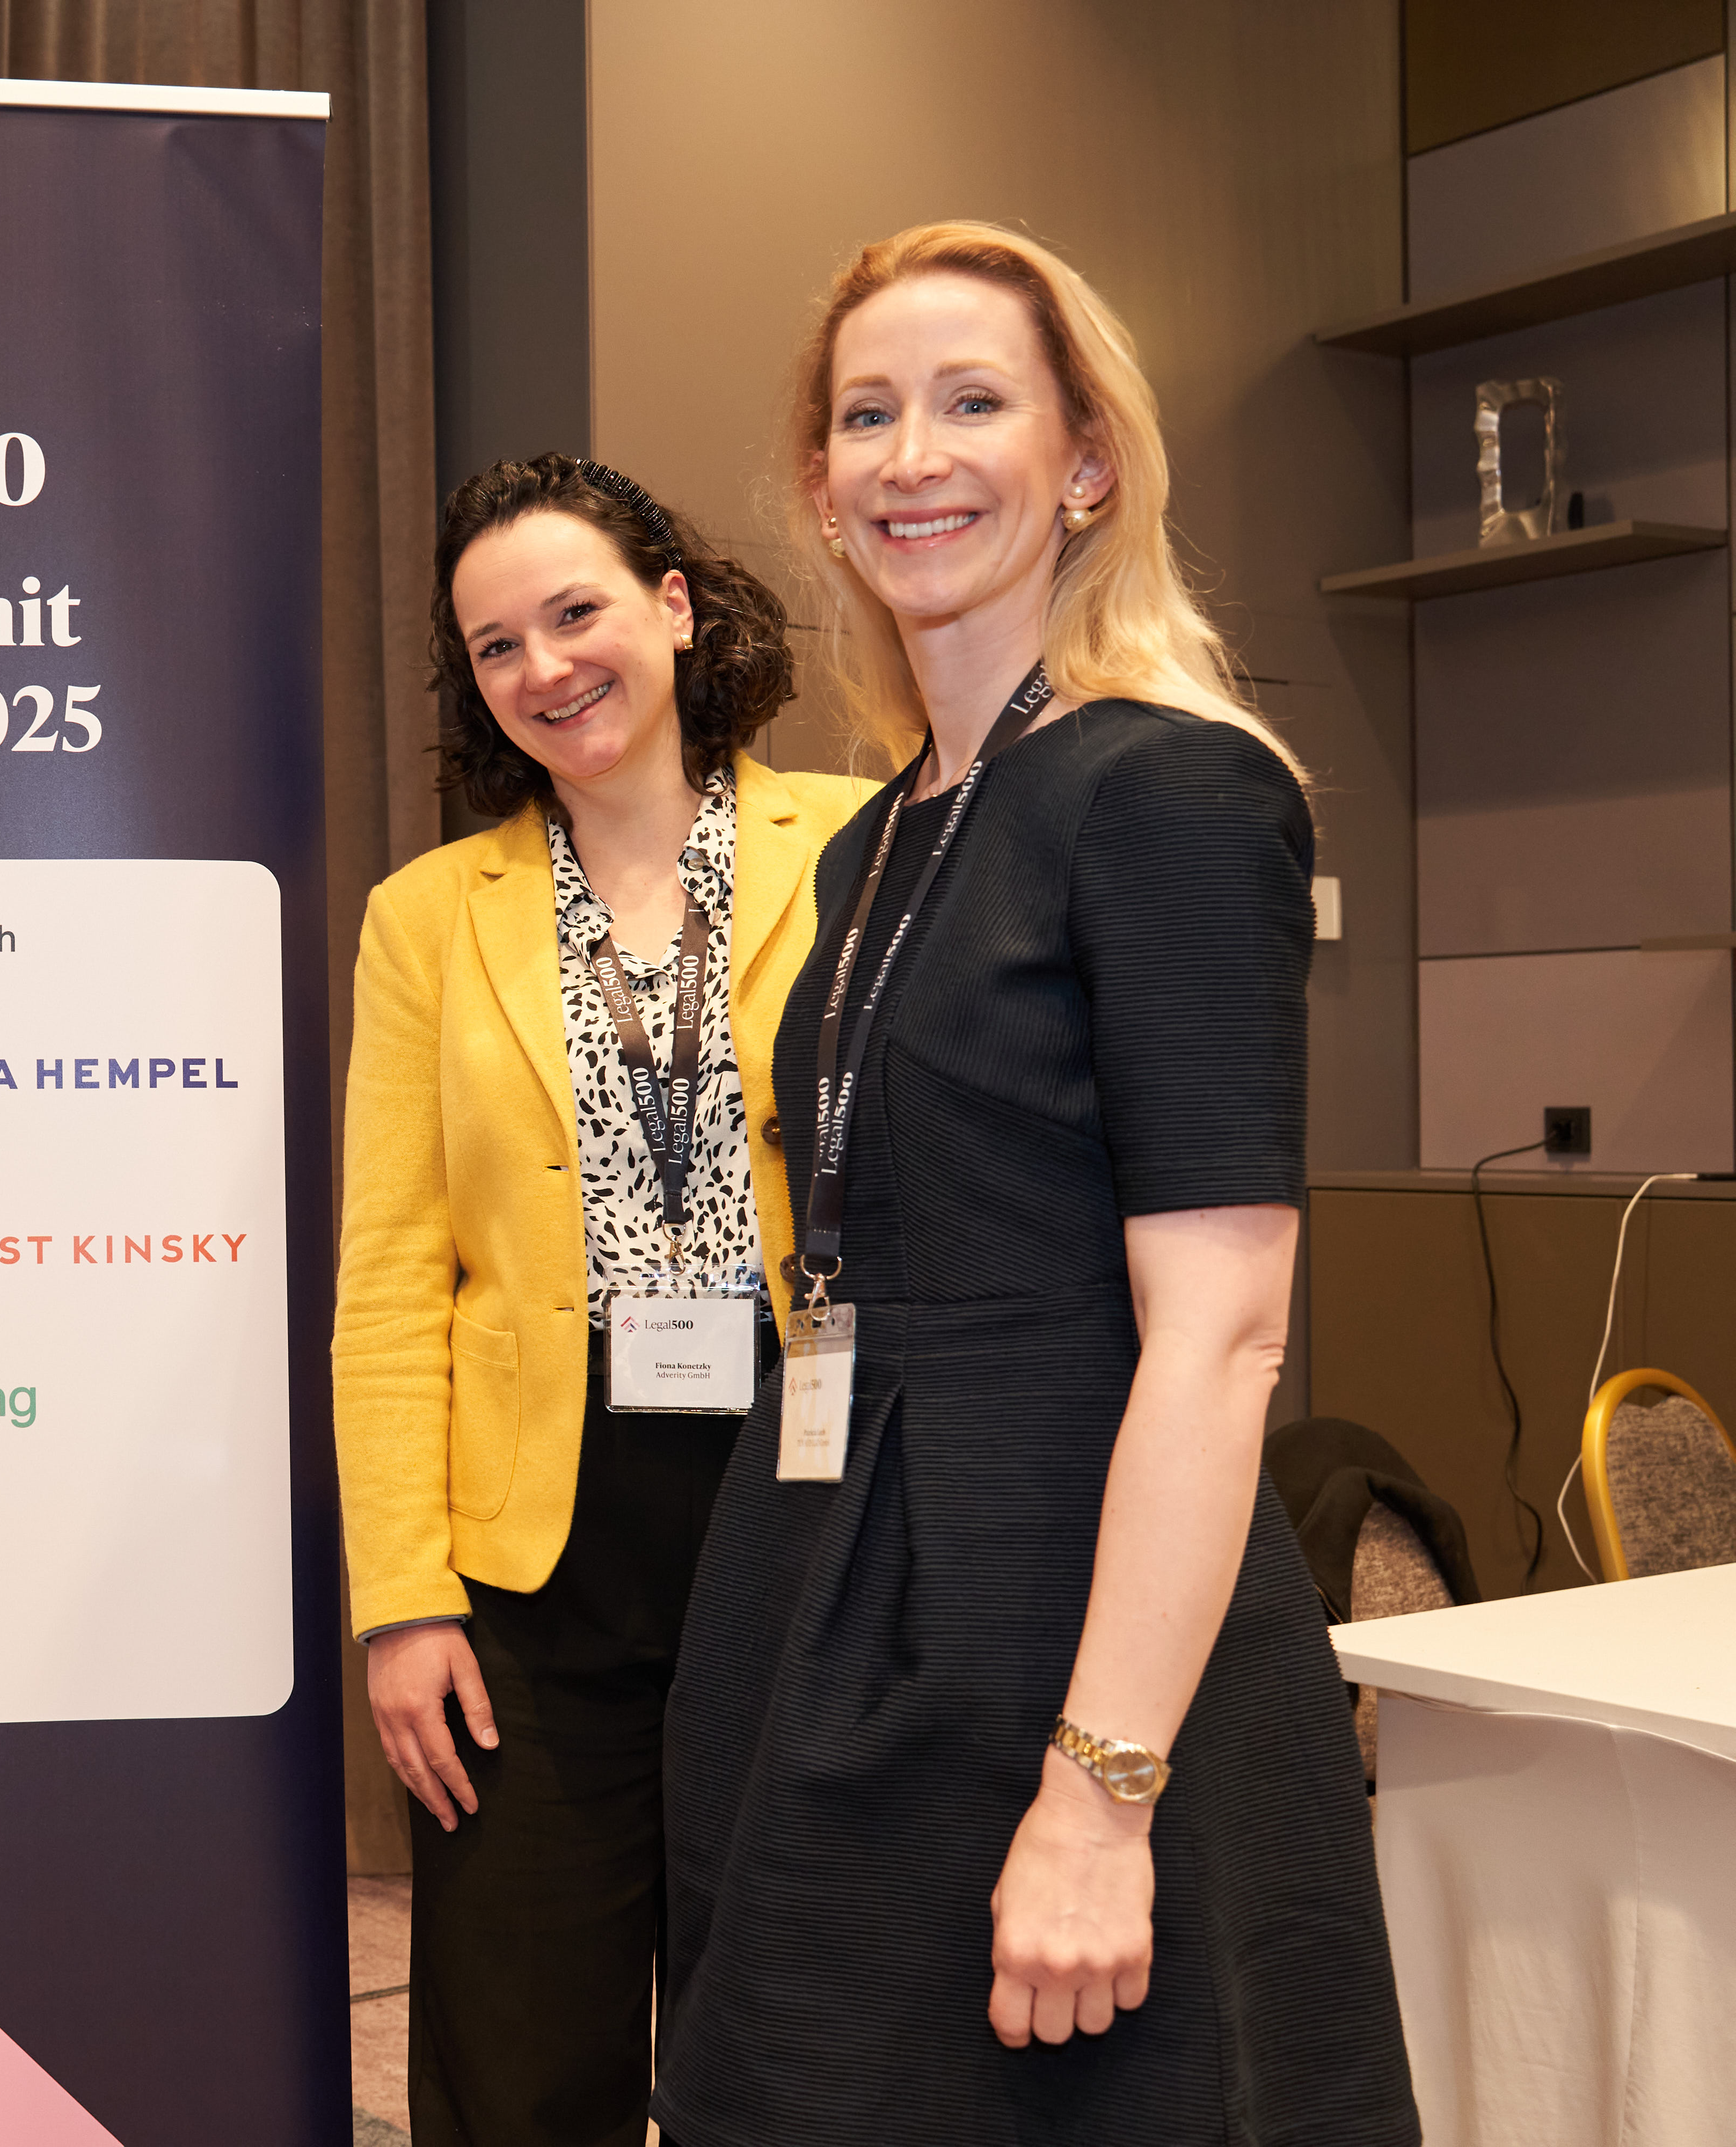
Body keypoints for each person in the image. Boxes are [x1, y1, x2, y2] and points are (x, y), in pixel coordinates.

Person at [650, 224, 1419, 2144]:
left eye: (973, 402)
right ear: (820, 486)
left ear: (1085, 461)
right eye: (867, 416)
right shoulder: (879, 837)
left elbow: (1224, 1337)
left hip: (1068, 1603)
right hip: (845, 1567)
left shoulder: (1170, 791)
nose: (913, 456)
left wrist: (1099, 1794)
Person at [335, 455, 871, 2144]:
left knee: (790, 2040)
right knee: (519, 2061)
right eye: (497, 646)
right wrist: (401, 1602)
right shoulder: (430, 918)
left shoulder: (859, 844)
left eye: (576, 613)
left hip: (803, 1506)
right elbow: (389, 1285)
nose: (546, 667)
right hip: (534, 1560)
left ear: (675, 608)